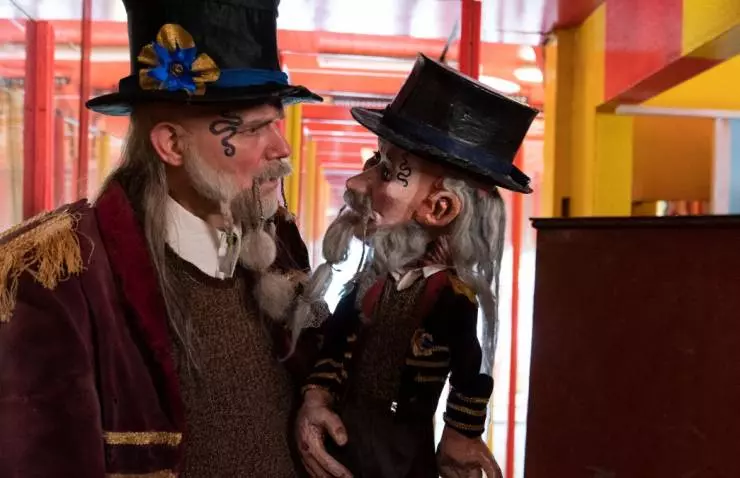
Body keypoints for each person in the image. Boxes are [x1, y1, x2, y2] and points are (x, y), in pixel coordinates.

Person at [0, 0, 325, 476]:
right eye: (255, 129)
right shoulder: (58, 277)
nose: (282, 148)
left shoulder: (277, 240)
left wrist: (318, 393)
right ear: (172, 144)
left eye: (275, 123)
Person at [292, 53, 538, 478]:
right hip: (349, 437)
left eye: (386, 172)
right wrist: (316, 397)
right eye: (373, 163)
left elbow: (470, 372)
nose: (355, 183)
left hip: (405, 451)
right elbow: (337, 343)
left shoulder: (451, 298)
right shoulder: (369, 285)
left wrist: (461, 432)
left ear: (439, 208)